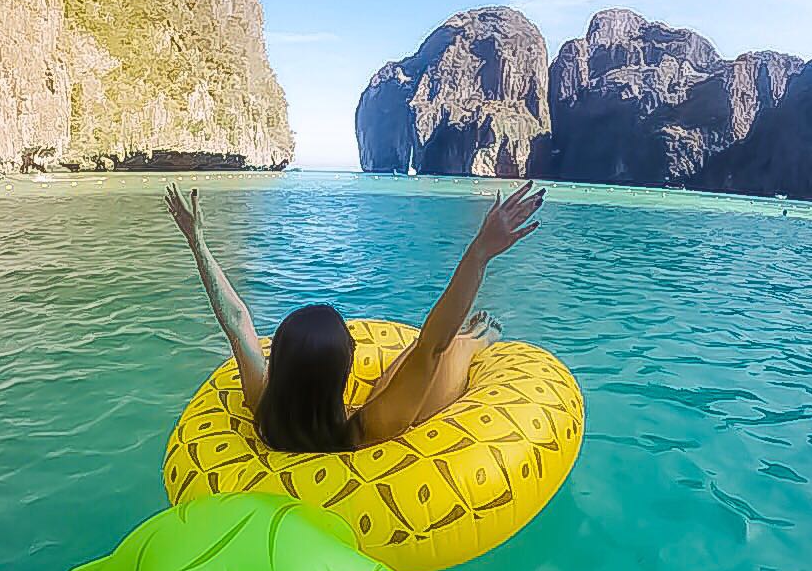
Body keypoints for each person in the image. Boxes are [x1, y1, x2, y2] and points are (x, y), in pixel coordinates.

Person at [164, 179, 544, 452]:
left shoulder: (263, 405)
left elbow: (236, 322)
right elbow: (433, 345)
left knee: (416, 352)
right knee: (435, 356)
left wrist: (197, 244)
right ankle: (477, 339)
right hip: (390, 431)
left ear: (278, 361)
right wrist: (479, 253)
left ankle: (467, 335)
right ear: (342, 371)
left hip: (313, 415)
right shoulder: (367, 428)